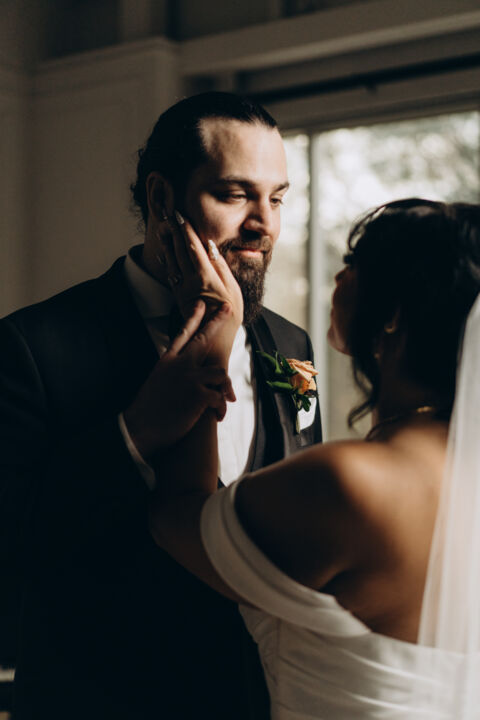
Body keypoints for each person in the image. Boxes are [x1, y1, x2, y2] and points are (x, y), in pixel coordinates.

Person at [0, 92, 321, 719]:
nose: (264, 224)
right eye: (235, 194)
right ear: (161, 198)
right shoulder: (32, 345)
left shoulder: (293, 348)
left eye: (277, 198)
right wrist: (136, 432)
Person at [148, 198, 480, 719]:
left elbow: (178, 514)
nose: (339, 276)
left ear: (393, 315)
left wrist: (209, 341)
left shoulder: (340, 461)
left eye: (353, 263)